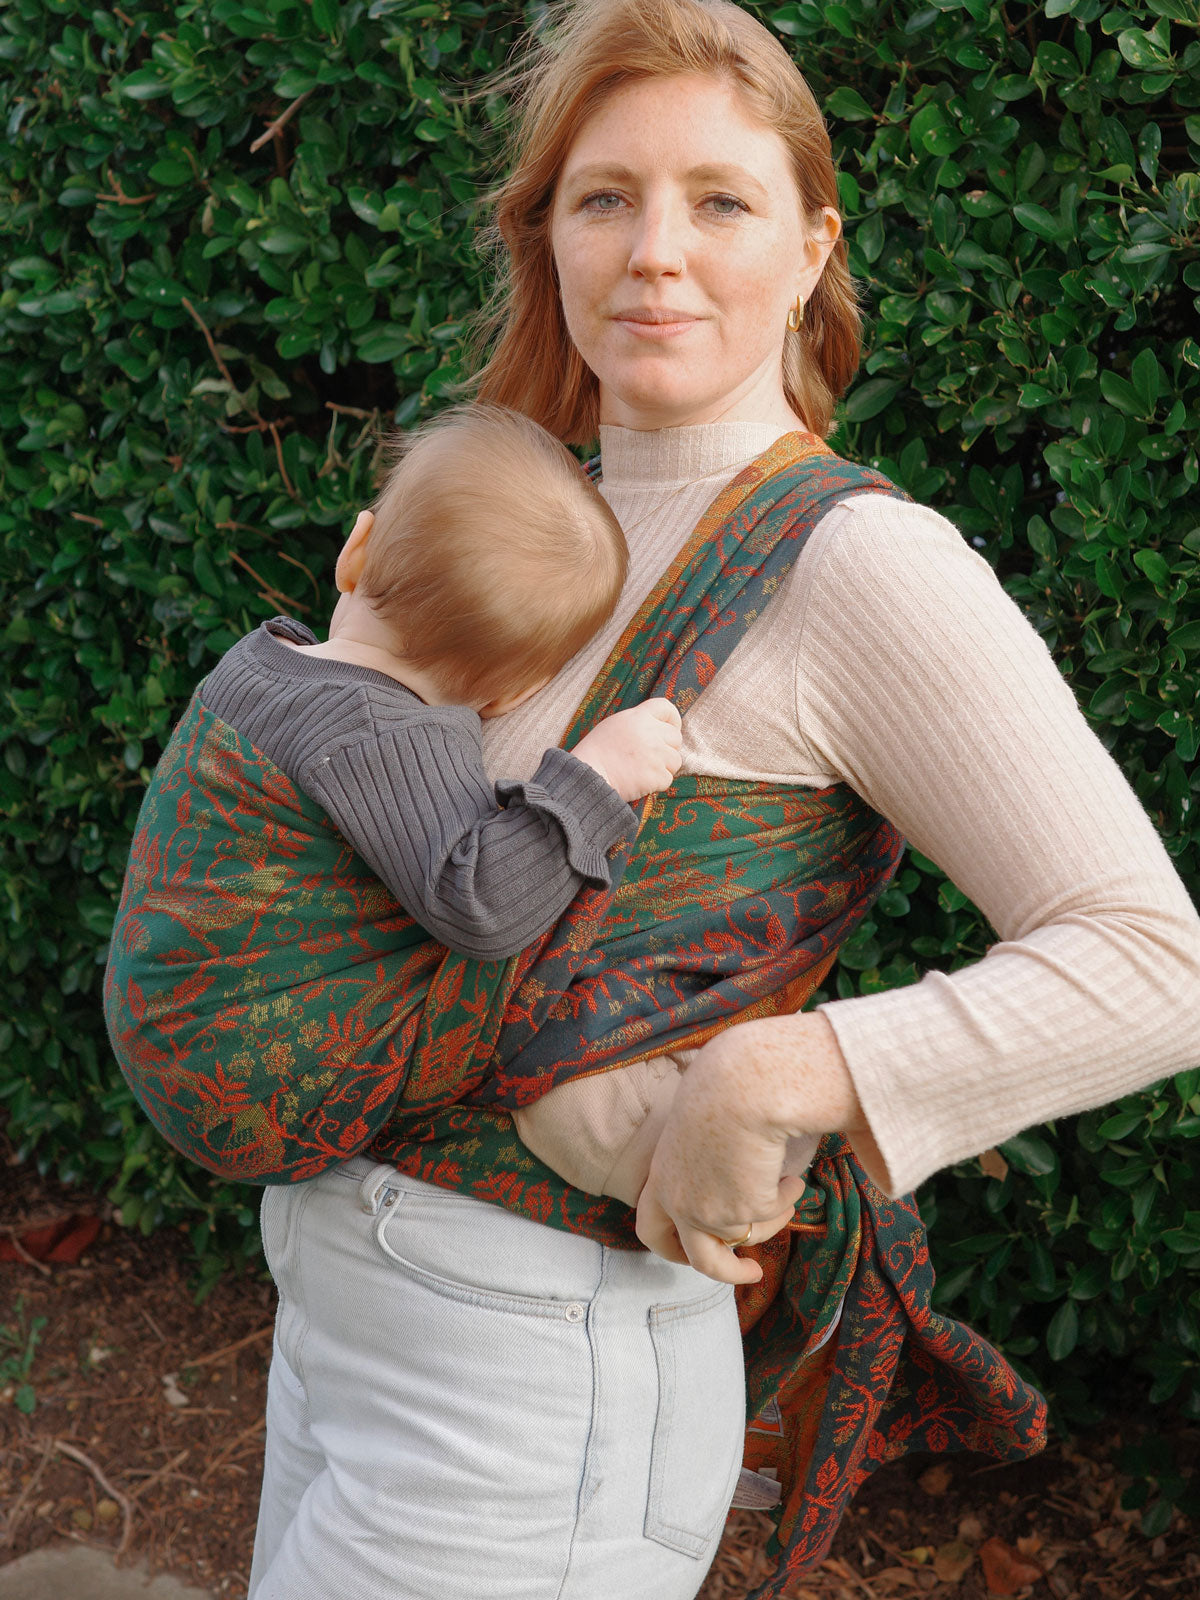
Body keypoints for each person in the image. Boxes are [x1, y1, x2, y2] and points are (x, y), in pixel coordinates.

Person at [120, 1, 1200, 1596]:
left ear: (813, 243)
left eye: (721, 199)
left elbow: (1151, 957)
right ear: (543, 234)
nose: (654, 253)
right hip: (348, 1318)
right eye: (603, 196)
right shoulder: (527, 526)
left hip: (538, 1382)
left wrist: (786, 1072)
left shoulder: (856, 562)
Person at [102, 403, 693, 1173]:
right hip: (262, 1089)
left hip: (162, 1014)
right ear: (514, 694)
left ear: (355, 550)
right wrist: (594, 777)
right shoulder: (388, 735)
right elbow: (478, 904)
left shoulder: (258, 664)